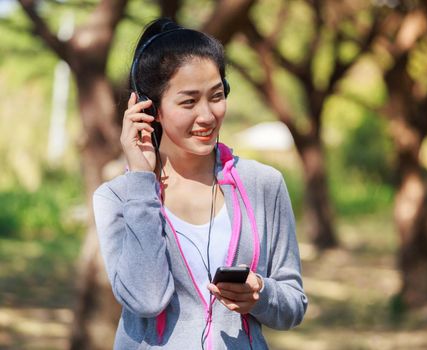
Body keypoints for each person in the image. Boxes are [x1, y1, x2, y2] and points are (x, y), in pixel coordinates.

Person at [92, 18, 307, 349]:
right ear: (151, 109)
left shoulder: (264, 184)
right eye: (189, 101)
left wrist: (260, 294)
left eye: (216, 96)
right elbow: (146, 299)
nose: (207, 115)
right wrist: (140, 181)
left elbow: (293, 306)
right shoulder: (118, 197)